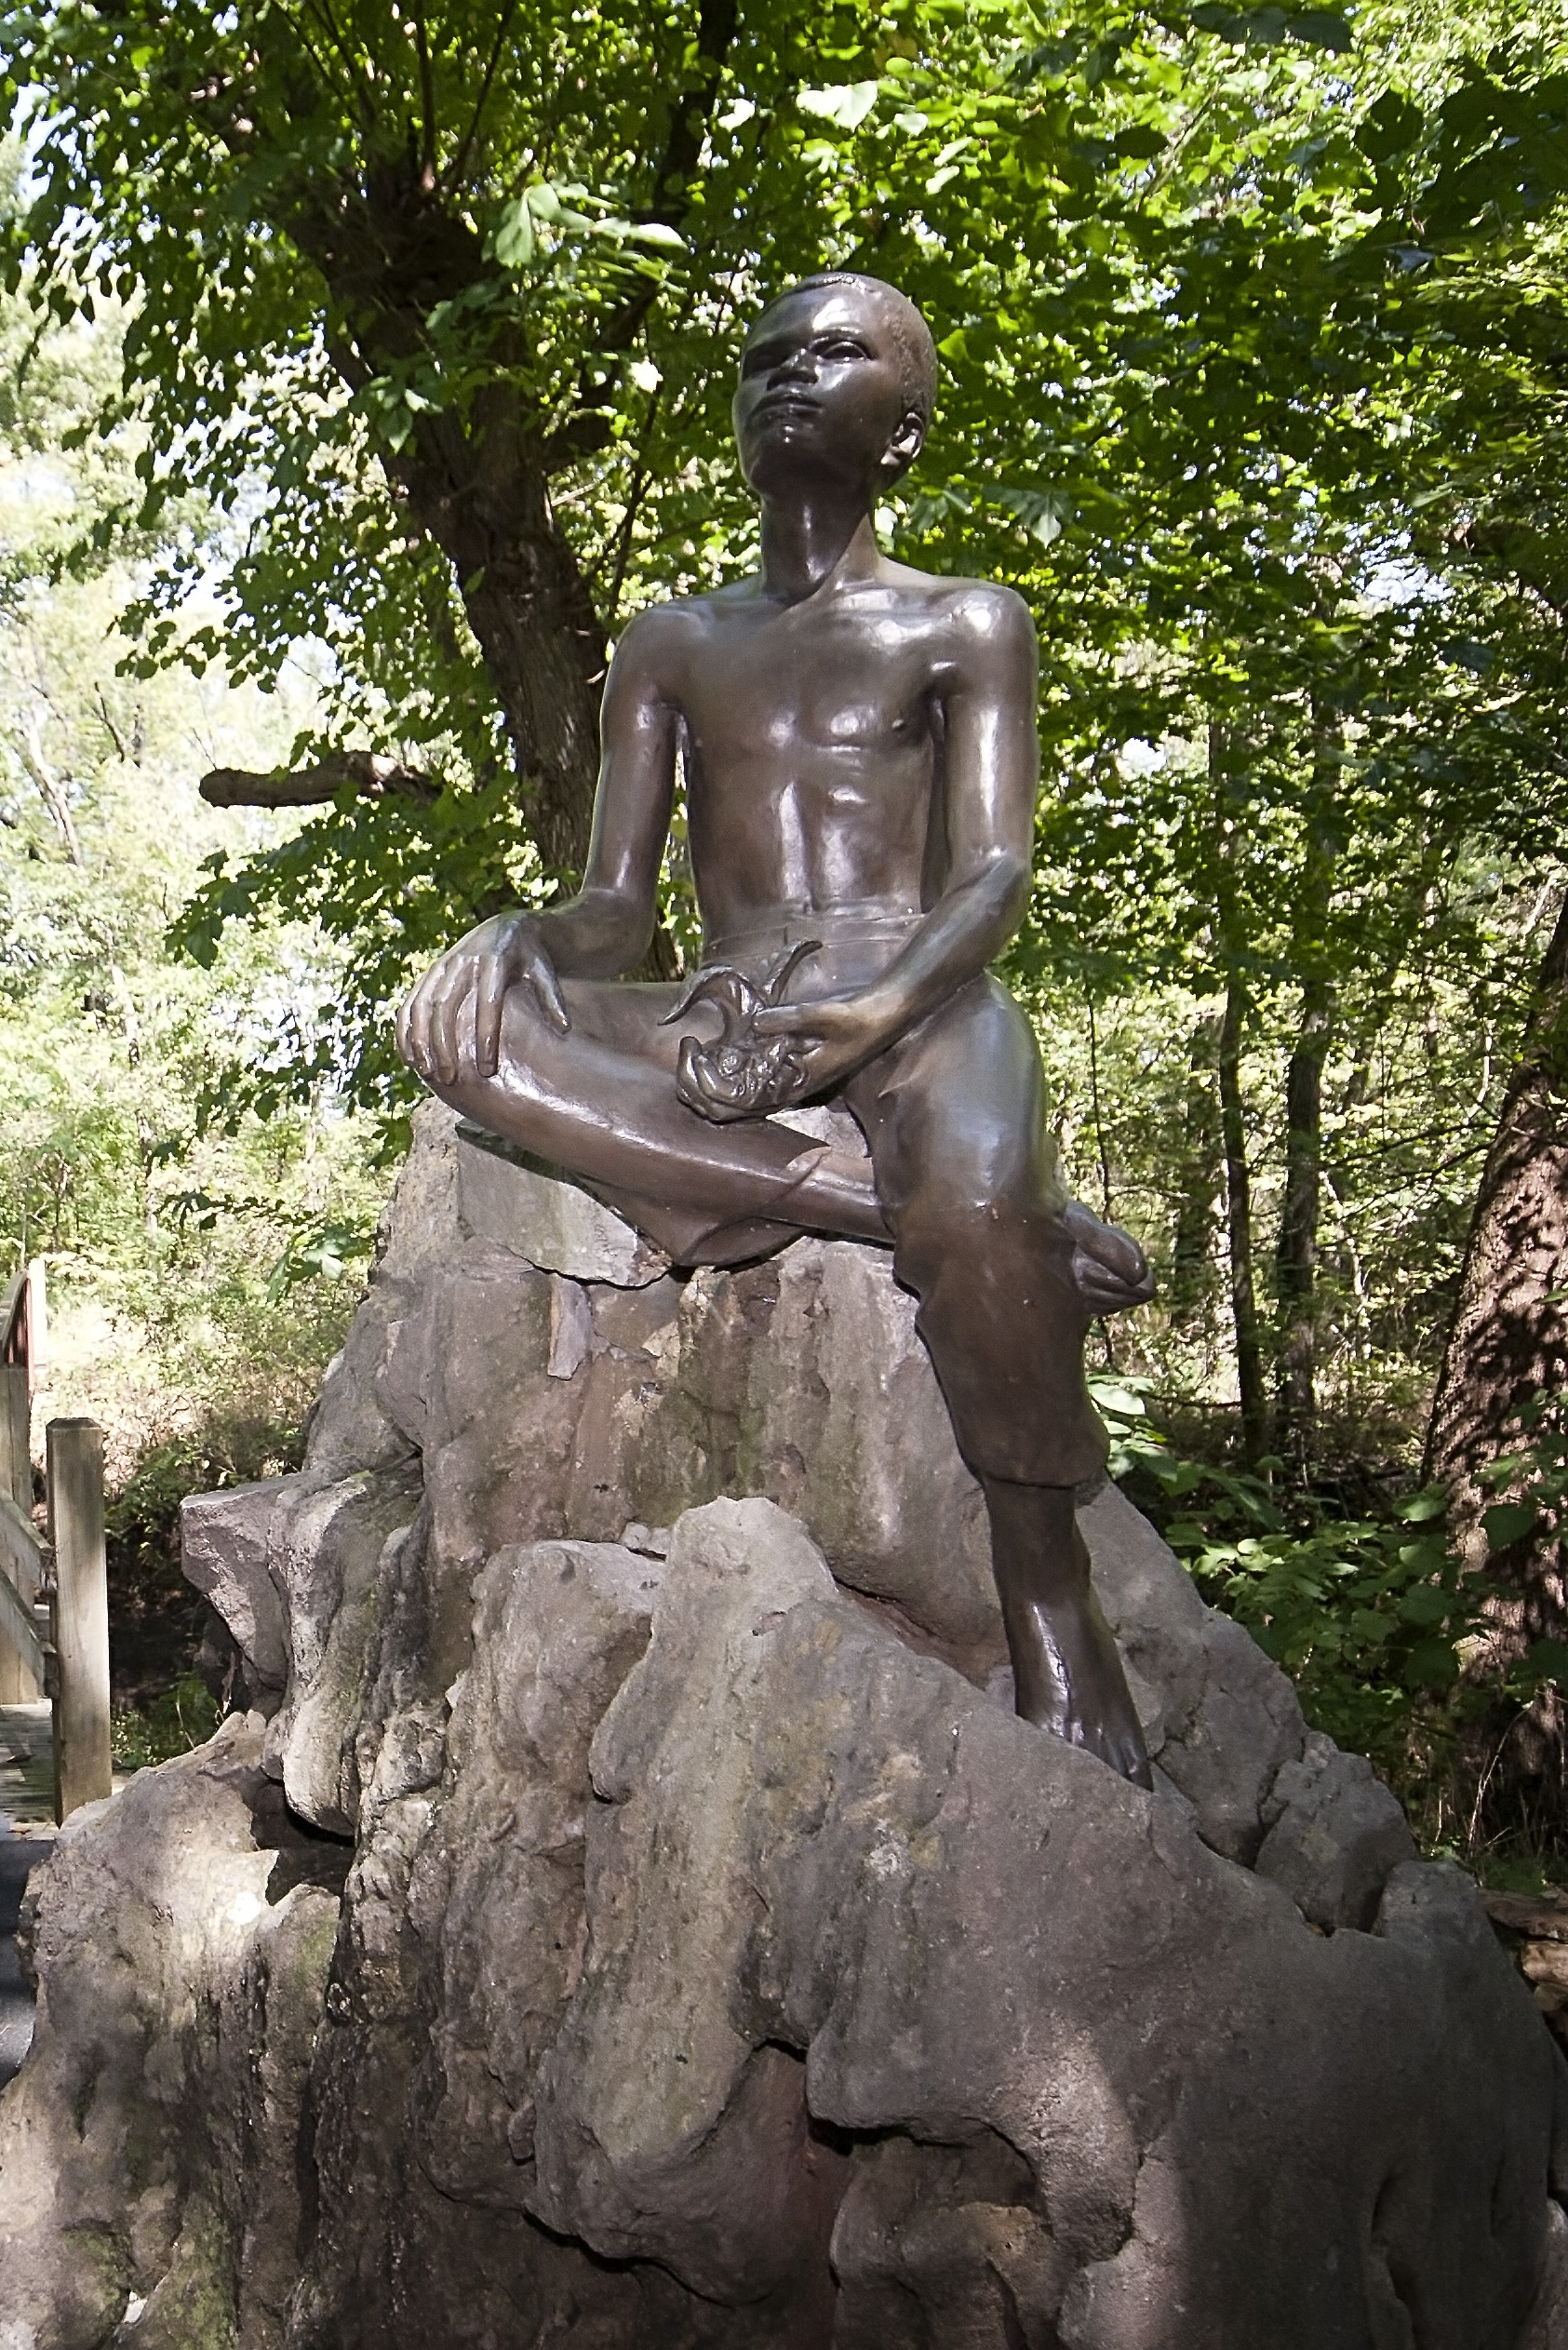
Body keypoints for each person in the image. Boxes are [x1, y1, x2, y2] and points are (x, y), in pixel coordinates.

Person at [395, 270, 1156, 1779]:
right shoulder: (670, 643)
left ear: (905, 426)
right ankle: (924, 1217)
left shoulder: (965, 621)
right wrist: (519, 936)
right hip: (725, 992)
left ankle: (1048, 1587)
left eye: (835, 353)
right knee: (469, 1037)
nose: (788, 377)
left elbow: (993, 874)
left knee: (973, 1181)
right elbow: (614, 906)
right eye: (763, 361)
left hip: (918, 986)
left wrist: (869, 1014)